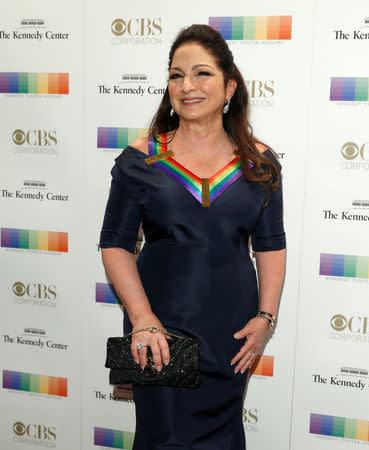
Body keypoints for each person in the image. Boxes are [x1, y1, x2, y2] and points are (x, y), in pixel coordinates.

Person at [99, 24, 286, 450]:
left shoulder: (260, 163)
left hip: (233, 336)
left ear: (229, 87)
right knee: (165, 438)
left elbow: (271, 245)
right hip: (161, 332)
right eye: (176, 75)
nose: (187, 86)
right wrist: (143, 319)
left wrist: (266, 318)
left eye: (201, 74)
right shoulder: (142, 160)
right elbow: (114, 245)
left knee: (223, 438)